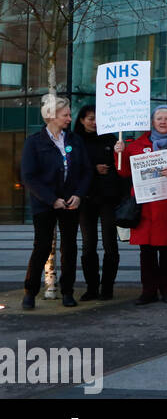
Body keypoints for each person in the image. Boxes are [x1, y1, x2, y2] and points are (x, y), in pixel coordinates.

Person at [20, 95, 90, 309]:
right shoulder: (34, 142)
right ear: (51, 116)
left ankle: (67, 292)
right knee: (41, 247)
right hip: (45, 203)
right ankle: (30, 292)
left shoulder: (75, 140)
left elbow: (86, 171)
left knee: (69, 248)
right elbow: (29, 176)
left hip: (70, 201)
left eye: (69, 114)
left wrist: (78, 194)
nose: (70, 118)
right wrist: (52, 200)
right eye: (65, 115)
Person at [115, 106, 167, 305]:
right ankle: (148, 291)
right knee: (146, 253)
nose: (163, 122)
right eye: (159, 118)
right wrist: (118, 153)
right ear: (152, 122)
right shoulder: (137, 144)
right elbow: (123, 172)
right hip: (145, 208)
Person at [73, 104, 123, 301]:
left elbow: (121, 168)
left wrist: (121, 152)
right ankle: (92, 287)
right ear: (82, 120)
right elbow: (73, 169)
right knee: (88, 245)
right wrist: (94, 170)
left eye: (97, 118)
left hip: (109, 198)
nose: (94, 122)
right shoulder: (76, 141)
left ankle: (107, 287)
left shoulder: (111, 139)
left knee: (110, 244)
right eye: (90, 118)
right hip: (86, 198)